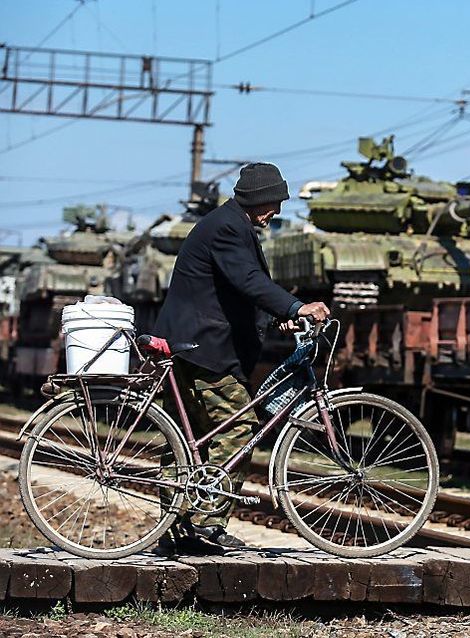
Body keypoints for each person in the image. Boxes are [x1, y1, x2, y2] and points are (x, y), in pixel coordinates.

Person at [153, 162, 330, 555]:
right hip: (204, 346)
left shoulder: (227, 223)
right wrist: (297, 306)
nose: (277, 211)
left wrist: (279, 316)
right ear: (255, 199)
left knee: (188, 438)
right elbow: (249, 281)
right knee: (237, 430)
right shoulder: (229, 227)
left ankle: (176, 526)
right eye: (272, 202)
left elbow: (231, 288)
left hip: (191, 340)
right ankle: (205, 525)